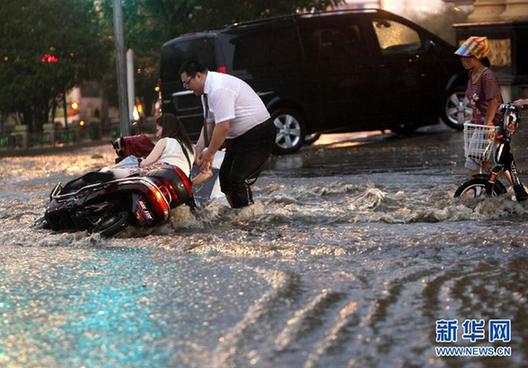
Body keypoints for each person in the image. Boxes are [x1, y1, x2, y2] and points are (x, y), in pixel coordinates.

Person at [179, 60, 276, 208]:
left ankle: (248, 215)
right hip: (239, 138)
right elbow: (209, 124)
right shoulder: (206, 92)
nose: (186, 87)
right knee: (225, 179)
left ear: (198, 76)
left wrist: (210, 153)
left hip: (259, 133)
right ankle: (237, 212)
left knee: (236, 177)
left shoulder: (218, 89)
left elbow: (223, 126)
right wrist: (198, 150)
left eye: (187, 83)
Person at [104, 113, 212, 185]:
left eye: (158, 130)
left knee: (132, 164)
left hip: (164, 177)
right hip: (181, 186)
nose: (156, 134)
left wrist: (139, 161)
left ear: (165, 128)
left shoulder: (165, 141)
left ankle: (107, 174)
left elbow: (145, 164)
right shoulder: (191, 148)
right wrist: (189, 183)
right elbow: (207, 173)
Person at [455, 36, 503, 174]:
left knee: (473, 161)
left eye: (467, 57)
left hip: (490, 124)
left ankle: (475, 192)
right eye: (462, 57)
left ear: (478, 57)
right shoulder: (472, 74)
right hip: (480, 124)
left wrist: (488, 126)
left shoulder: (487, 75)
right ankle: (514, 188)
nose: (463, 60)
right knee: (495, 161)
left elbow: (493, 101)